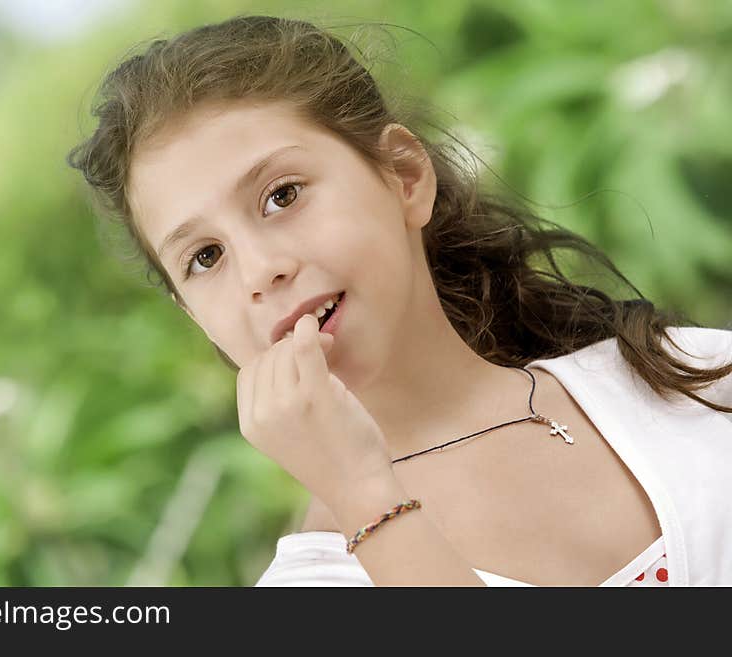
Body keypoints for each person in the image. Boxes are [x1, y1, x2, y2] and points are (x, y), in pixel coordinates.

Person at [66, 14, 732, 586]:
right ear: (193, 314)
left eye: (283, 195)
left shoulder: (684, 377)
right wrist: (362, 498)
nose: (260, 272)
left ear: (406, 176)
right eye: (204, 257)